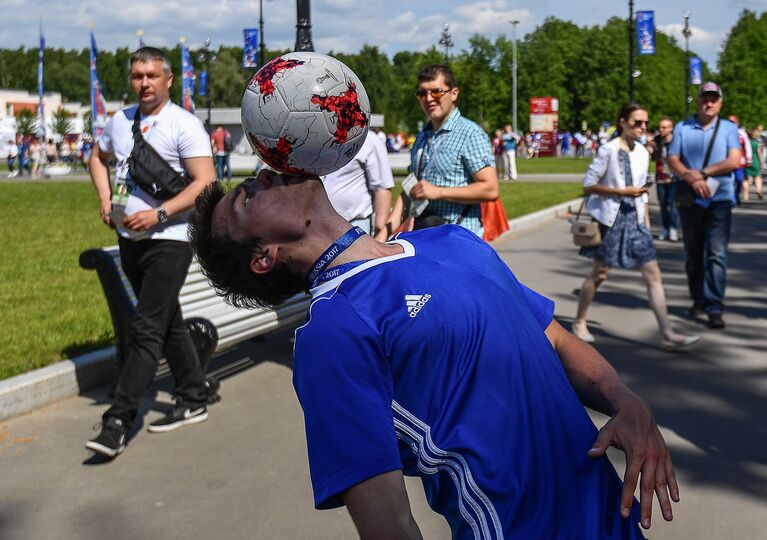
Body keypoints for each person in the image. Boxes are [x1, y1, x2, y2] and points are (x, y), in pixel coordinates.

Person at [188, 171, 679, 538]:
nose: (265, 175)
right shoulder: (331, 334)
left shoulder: (450, 240)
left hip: (613, 520)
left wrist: (624, 399)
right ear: (263, 256)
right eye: (247, 197)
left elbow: (552, 337)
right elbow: (389, 525)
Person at [85, 46, 216, 458]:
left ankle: (118, 421)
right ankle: (193, 394)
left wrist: (160, 214)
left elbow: (206, 184)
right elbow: (97, 157)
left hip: (172, 240)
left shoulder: (184, 125)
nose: (144, 83)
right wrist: (107, 200)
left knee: (146, 327)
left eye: (152, 76)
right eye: (137, 76)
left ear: (168, 80)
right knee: (166, 321)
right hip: (130, 237)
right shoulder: (119, 122)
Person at [572, 103, 699, 351]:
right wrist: (621, 191)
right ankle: (579, 322)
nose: (643, 127)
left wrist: (646, 221)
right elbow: (588, 184)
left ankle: (668, 333)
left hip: (636, 220)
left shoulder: (642, 152)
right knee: (599, 274)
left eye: (645, 123)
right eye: (637, 122)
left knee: (653, 273)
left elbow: (641, 192)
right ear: (623, 122)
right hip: (612, 219)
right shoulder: (607, 150)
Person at [668, 82, 741, 330]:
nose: (708, 103)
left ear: (720, 103)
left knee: (717, 253)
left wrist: (703, 172)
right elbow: (672, 159)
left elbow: (734, 160)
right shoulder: (682, 127)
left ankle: (714, 306)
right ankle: (698, 297)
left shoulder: (729, 128)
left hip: (719, 199)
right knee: (693, 252)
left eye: (714, 99)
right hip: (690, 199)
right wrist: (690, 177)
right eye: (704, 98)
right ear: (697, 100)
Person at [406, 64, 499, 237]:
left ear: (454, 93)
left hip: (460, 240)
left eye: (436, 91)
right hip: (427, 235)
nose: (429, 98)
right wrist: (385, 232)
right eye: (422, 93)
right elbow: (412, 185)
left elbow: (490, 188)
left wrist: (438, 192)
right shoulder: (422, 136)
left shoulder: (470, 133)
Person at [321, 130, 394, 242]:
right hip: (320, 227)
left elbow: (382, 188)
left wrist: (380, 233)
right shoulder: (320, 138)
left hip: (354, 228)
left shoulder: (368, 139)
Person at [649, 116, 680, 241]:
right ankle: (665, 228)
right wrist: (651, 148)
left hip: (674, 178)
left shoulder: (677, 140)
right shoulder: (657, 140)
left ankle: (673, 228)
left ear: (671, 128)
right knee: (662, 205)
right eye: (660, 127)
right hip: (661, 177)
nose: (661, 130)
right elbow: (653, 155)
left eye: (664, 127)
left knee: (673, 205)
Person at [728, 115, 751, 206]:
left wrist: (749, 159)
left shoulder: (742, 133)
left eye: (733, 122)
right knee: (729, 181)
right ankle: (731, 199)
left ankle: (736, 196)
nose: (732, 124)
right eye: (730, 122)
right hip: (727, 162)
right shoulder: (724, 132)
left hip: (739, 162)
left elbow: (747, 146)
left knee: (739, 180)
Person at [744, 127, 764, 201]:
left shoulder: (746, 143)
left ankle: (746, 196)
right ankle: (758, 190)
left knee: (745, 178)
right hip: (755, 162)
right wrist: (762, 163)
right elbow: (759, 154)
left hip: (747, 162)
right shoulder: (757, 144)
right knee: (757, 177)